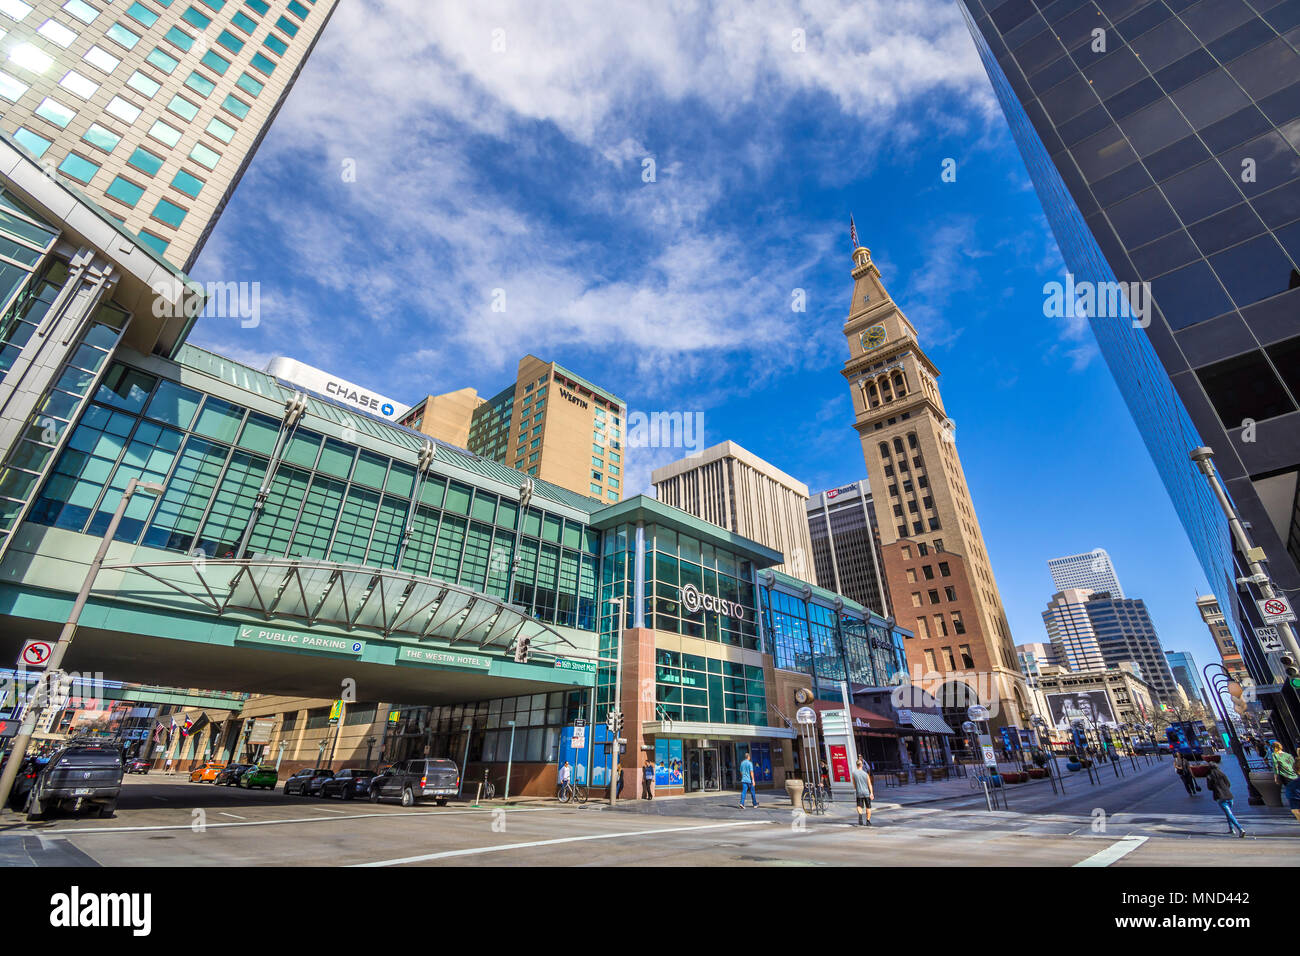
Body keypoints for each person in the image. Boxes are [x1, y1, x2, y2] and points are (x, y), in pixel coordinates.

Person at [1205, 762, 1246, 838]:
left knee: (1229, 814)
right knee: (1229, 813)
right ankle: (1231, 828)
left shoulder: (1209, 776)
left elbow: (1209, 787)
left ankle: (1240, 828)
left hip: (1220, 796)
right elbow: (1228, 783)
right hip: (1229, 795)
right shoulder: (1222, 774)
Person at [1270, 741, 1300, 821]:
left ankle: (1296, 810)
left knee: (1292, 794)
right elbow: (1294, 764)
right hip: (1294, 775)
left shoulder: (1274, 755)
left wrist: (1276, 778)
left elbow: (1276, 767)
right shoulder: (1288, 755)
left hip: (1285, 776)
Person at [851, 755, 875, 827]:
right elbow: (870, 784)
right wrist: (871, 793)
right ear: (861, 765)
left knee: (859, 806)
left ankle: (860, 816)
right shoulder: (866, 774)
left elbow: (854, 784)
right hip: (866, 793)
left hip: (859, 792)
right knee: (868, 807)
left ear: (856, 765)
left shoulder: (854, 773)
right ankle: (868, 821)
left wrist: (857, 788)